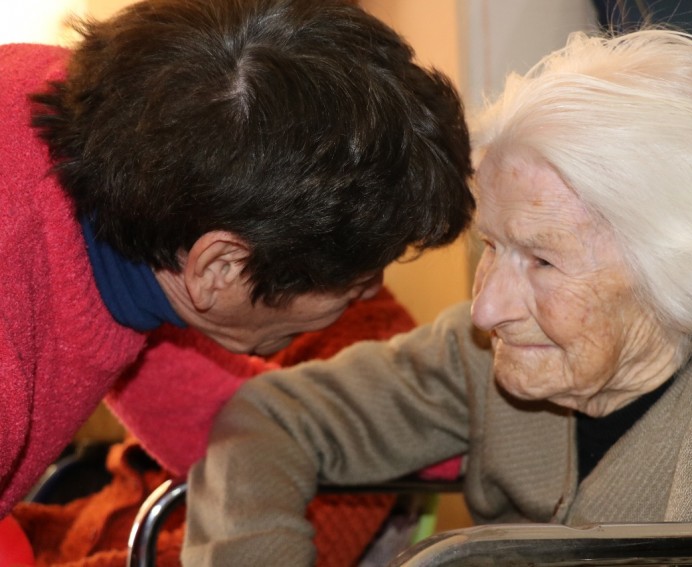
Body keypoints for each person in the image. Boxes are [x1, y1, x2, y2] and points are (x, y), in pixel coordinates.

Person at [183, 27, 692, 565]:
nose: (486, 308)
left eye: (541, 259)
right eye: (492, 246)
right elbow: (269, 418)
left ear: (675, 270)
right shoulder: (485, 351)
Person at [0, 0, 473, 519]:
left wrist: (476, 431)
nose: (369, 291)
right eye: (358, 277)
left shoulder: (114, 125)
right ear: (221, 267)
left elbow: (212, 415)